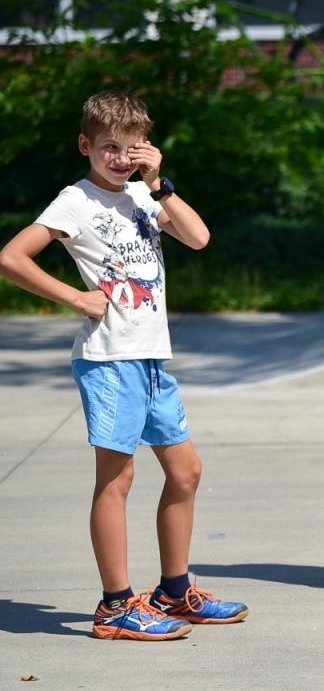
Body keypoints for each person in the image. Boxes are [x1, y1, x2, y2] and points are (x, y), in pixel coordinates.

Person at [0, 91, 248, 639]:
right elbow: (11, 258)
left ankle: (174, 591)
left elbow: (200, 238)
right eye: (108, 146)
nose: (119, 157)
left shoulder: (142, 194)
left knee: (186, 471)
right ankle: (115, 607)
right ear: (85, 145)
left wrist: (159, 184)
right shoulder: (76, 200)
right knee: (118, 479)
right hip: (109, 358)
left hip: (152, 357)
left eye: (131, 147)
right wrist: (77, 298)